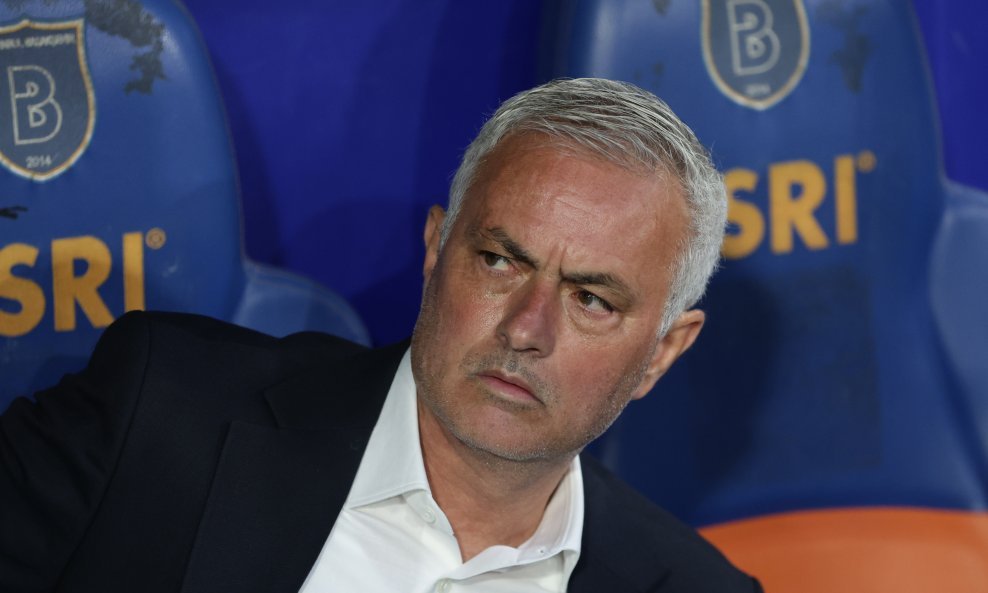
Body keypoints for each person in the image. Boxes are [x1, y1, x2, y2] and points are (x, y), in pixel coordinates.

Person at [0, 78, 760, 592]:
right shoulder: (158, 411)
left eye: (591, 299)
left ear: (663, 352)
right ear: (435, 250)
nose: (526, 329)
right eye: (500, 261)